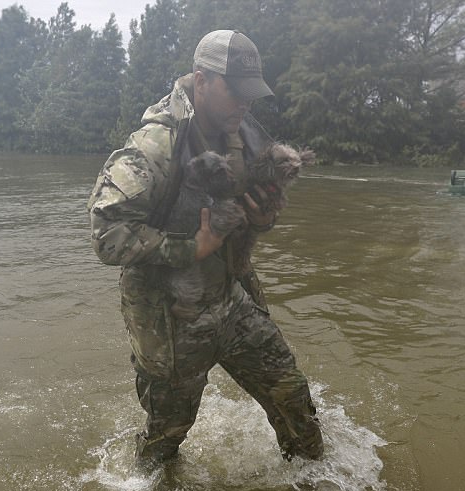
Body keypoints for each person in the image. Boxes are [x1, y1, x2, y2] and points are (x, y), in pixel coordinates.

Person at [87, 29, 323, 463]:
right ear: (201, 80)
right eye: (236, 92)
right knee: (164, 442)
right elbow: (107, 234)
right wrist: (190, 247)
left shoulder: (243, 132)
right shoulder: (155, 147)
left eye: (251, 94)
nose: (245, 103)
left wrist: (262, 217)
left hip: (229, 301)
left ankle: (318, 485)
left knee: (293, 399)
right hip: (171, 321)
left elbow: (256, 210)